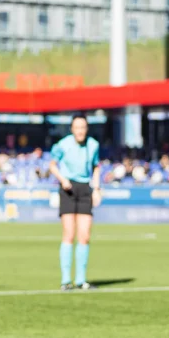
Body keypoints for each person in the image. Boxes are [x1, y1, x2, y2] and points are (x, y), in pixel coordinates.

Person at [48, 115, 101, 291]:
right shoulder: (63, 145)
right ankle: (65, 280)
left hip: (85, 189)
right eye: (77, 127)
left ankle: (81, 280)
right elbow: (52, 165)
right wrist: (62, 179)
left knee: (84, 235)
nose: (80, 131)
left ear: (87, 129)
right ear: (72, 129)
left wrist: (97, 188)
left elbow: (96, 167)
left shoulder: (93, 145)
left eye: (83, 127)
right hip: (68, 188)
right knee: (69, 234)